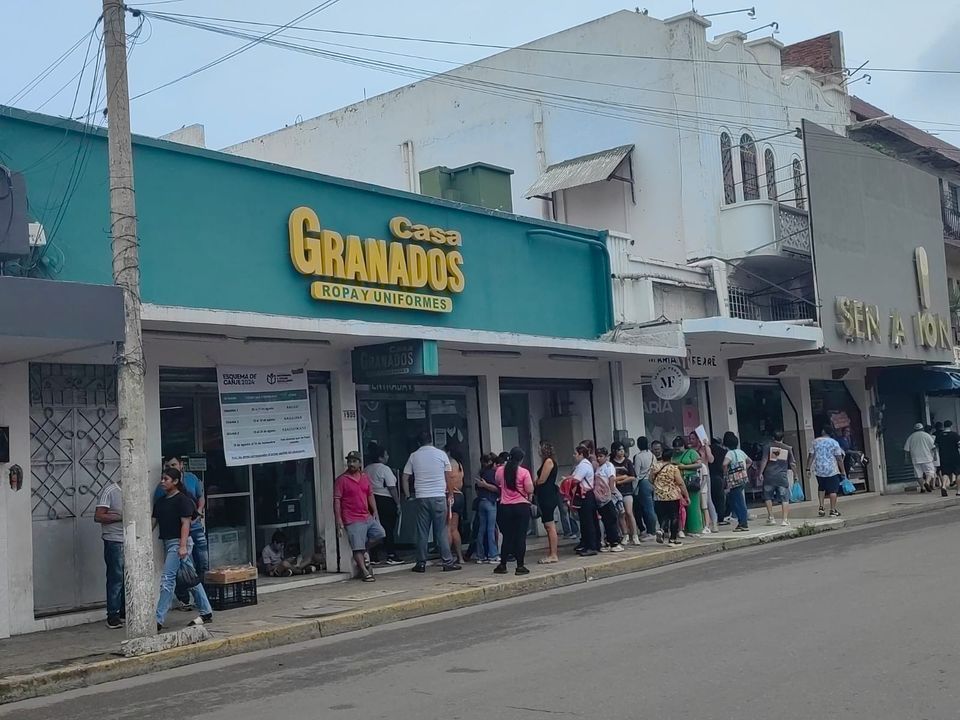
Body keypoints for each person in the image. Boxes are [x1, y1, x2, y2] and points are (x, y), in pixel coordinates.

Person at [153, 468, 213, 631]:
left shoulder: (183, 500)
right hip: (169, 543)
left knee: (167, 580)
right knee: (190, 578)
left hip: (179, 543)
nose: (162, 482)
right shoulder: (161, 502)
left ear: (175, 481)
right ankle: (206, 611)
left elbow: (186, 524)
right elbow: (154, 523)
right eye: (162, 479)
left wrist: (183, 546)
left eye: (166, 479)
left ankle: (158, 619)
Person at [402, 432, 461, 573]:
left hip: (422, 497)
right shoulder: (441, 455)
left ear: (418, 443)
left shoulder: (414, 456)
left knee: (422, 532)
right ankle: (447, 562)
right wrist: (451, 494)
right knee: (441, 530)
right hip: (439, 497)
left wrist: (408, 495)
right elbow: (449, 478)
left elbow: (405, 478)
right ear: (431, 441)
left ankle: (421, 563)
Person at [335, 451, 386, 582]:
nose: (351, 464)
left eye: (354, 461)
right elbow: (336, 500)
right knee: (357, 547)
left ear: (359, 463)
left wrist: (375, 510)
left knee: (380, 534)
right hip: (352, 518)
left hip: (366, 516)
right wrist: (339, 519)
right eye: (349, 461)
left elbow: (370, 494)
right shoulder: (342, 480)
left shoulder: (364, 477)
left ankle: (365, 551)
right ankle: (364, 572)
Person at [494, 447, 534, 575]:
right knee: (520, 537)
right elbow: (529, 489)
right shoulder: (524, 472)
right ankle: (520, 566)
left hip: (505, 506)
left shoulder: (500, 470)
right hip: (521, 507)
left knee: (507, 537)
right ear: (521, 459)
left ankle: (503, 564)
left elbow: (498, 483)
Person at [94, 477, 125, 629]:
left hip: (130, 539)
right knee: (116, 577)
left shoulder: (136, 491)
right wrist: (119, 517)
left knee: (128, 577)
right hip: (114, 540)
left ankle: (124, 611)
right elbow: (98, 516)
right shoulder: (111, 491)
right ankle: (113, 614)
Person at [364, 442, 402, 564]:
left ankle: (374, 556)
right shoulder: (384, 469)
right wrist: (397, 503)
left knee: (373, 527)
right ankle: (391, 554)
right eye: (386, 455)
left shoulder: (366, 469)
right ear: (380, 457)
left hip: (370, 499)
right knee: (388, 528)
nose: (388, 456)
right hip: (385, 500)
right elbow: (392, 487)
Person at [651, 447, 689, 546]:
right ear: (671, 458)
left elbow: (650, 479)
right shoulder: (673, 468)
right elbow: (680, 483)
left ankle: (662, 529)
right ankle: (672, 539)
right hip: (672, 496)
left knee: (664, 516)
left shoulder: (655, 467)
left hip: (658, 496)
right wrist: (686, 496)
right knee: (674, 517)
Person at [759, 430, 797, 526]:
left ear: (773, 438)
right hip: (782, 476)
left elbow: (764, 460)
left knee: (768, 496)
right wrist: (796, 474)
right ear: (783, 438)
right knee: (785, 498)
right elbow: (792, 463)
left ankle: (771, 517)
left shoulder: (767, 447)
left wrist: (760, 473)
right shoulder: (788, 448)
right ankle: (785, 519)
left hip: (769, 476)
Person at [569, 443, 599, 556]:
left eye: (575, 454)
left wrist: (567, 480)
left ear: (581, 454)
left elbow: (576, 479)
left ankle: (591, 546)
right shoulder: (582, 464)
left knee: (588, 522)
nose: (574, 456)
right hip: (583, 495)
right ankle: (586, 544)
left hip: (586, 495)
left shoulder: (584, 465)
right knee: (584, 522)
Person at [809, 426, 846, 517]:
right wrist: (843, 471)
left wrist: (807, 468)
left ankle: (821, 507)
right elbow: (839, 459)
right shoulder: (834, 443)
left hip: (819, 469)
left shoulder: (815, 442)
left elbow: (811, 456)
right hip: (831, 470)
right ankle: (832, 510)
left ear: (823, 431)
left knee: (821, 488)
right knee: (833, 490)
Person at [535, 441, 561, 564]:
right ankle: (552, 553)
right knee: (548, 525)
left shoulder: (549, 462)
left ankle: (553, 554)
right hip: (545, 495)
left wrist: (533, 483)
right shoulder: (547, 461)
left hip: (548, 495)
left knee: (550, 525)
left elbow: (542, 480)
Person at [594, 447, 624, 552]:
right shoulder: (598, 468)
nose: (598, 458)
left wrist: (612, 492)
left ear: (606, 457)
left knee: (611, 519)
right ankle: (609, 542)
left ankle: (614, 542)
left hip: (607, 496)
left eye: (601, 456)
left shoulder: (608, 466)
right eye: (597, 456)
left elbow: (612, 478)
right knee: (606, 520)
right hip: (600, 498)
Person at [722, 432, 752, 531]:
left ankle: (743, 523)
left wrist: (726, 474)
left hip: (734, 480)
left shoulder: (730, 453)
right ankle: (742, 521)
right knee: (737, 499)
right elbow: (750, 461)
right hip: (743, 479)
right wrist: (744, 469)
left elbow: (725, 464)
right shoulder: (741, 452)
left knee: (738, 501)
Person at [610, 441, 639, 545]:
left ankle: (635, 535)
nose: (621, 452)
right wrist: (622, 477)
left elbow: (632, 476)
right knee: (620, 514)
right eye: (619, 450)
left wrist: (620, 481)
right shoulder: (610, 463)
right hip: (616, 492)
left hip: (627, 491)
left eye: (622, 450)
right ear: (614, 451)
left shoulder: (628, 462)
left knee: (629, 512)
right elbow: (610, 478)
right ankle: (625, 534)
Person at [674, 436, 704, 536]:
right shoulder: (674, 455)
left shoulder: (691, 452)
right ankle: (683, 528)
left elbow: (699, 464)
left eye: (679, 448)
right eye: (675, 449)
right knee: (681, 507)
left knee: (693, 505)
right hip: (679, 482)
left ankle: (695, 529)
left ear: (683, 446)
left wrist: (685, 467)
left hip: (691, 481)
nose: (677, 450)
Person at [474, 453, 500, 564]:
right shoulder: (493, 474)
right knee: (491, 529)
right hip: (490, 502)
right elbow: (496, 489)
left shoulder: (482, 473)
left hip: (481, 501)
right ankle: (493, 555)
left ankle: (480, 555)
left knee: (482, 529)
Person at [445, 443, 466, 565]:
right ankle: (460, 557)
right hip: (460, 496)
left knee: (447, 528)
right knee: (455, 528)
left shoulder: (448, 465)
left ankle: (447, 557)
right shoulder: (459, 465)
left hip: (450, 495)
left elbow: (447, 481)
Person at [633, 437, 657, 541]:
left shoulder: (638, 457)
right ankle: (653, 529)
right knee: (651, 507)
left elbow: (636, 474)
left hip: (643, 483)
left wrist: (634, 488)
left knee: (647, 509)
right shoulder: (652, 455)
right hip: (652, 482)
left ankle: (651, 531)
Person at [904, 422, 937, 495]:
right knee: (930, 471)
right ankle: (927, 482)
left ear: (914, 429)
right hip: (927, 457)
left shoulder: (911, 437)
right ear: (922, 429)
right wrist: (935, 456)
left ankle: (922, 488)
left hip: (915, 458)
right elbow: (933, 447)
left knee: (918, 474)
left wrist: (906, 459)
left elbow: (906, 450)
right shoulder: (927, 435)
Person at [709, 437, 730, 525]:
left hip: (709, 476)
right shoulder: (724, 451)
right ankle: (721, 518)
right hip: (719, 476)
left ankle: (712, 517)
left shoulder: (708, 450)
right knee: (720, 498)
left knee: (711, 498)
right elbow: (725, 465)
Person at [936, 420, 960, 496]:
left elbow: (936, 446)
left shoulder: (939, 435)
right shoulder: (955, 435)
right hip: (955, 456)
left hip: (943, 457)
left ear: (944, 426)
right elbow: (959, 445)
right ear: (951, 426)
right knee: (958, 474)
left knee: (945, 473)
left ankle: (943, 486)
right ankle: (958, 491)